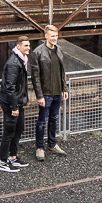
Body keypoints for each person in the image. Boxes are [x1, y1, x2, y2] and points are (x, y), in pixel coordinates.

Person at [30, 23, 69, 160]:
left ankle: (52, 144)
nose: (55, 38)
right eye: (52, 36)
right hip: (46, 94)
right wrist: (39, 96)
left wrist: (64, 88)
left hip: (57, 92)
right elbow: (35, 77)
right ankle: (40, 147)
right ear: (46, 36)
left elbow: (62, 71)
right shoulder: (38, 52)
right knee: (42, 121)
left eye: (56, 36)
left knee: (54, 119)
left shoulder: (59, 49)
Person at [0, 38, 32, 172]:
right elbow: (10, 87)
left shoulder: (21, 60)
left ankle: (12, 157)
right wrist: (14, 107)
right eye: (25, 45)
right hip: (11, 102)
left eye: (29, 45)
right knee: (9, 131)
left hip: (17, 100)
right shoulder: (14, 63)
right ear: (18, 46)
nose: (28, 48)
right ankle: (2, 161)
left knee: (19, 128)